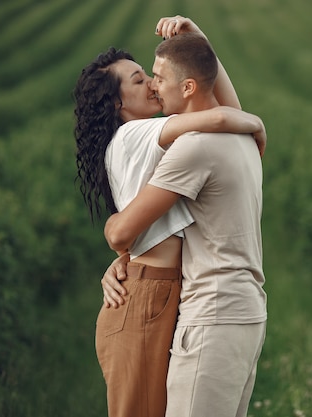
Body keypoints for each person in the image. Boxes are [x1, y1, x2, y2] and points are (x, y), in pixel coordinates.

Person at [73, 16, 266, 417]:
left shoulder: (172, 143)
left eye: (154, 76)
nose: (153, 85)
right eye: (141, 79)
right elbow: (215, 115)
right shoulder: (141, 135)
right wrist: (254, 123)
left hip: (169, 295)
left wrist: (199, 45)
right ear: (117, 103)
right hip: (147, 296)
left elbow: (209, 105)